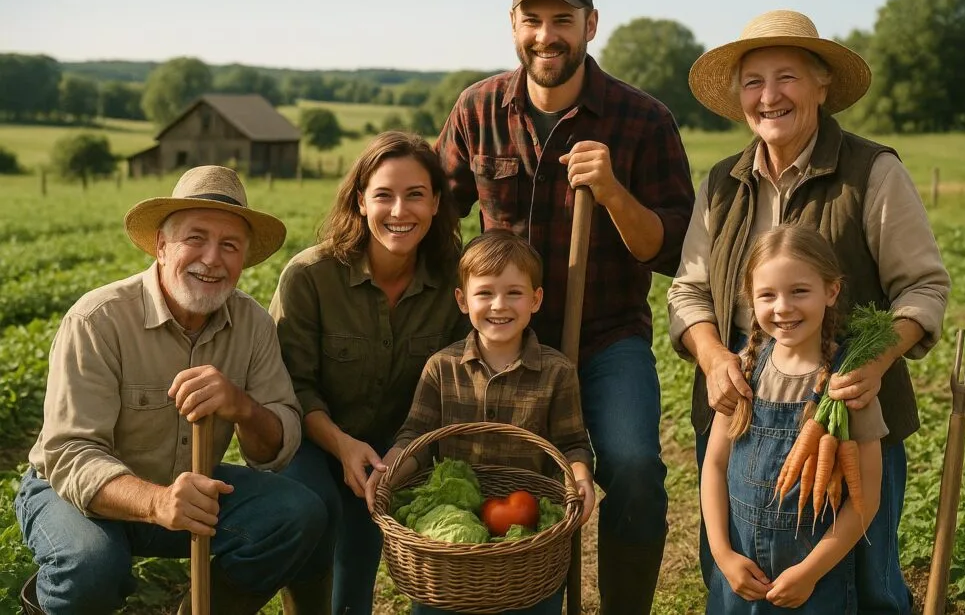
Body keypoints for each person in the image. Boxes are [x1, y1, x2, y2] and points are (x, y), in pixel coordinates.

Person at [667, 10, 951, 612]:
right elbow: (688, 291)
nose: (769, 96)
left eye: (787, 77)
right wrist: (715, 358)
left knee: (862, 580)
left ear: (821, 84)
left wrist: (874, 363)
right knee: (736, 576)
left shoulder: (872, 172)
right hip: (740, 407)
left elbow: (923, 288)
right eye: (753, 81)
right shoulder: (721, 183)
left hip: (845, 414)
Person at [436, 0, 694, 613]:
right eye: (533, 19)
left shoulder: (643, 120)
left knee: (634, 468)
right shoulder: (477, 110)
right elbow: (437, 220)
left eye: (562, 21)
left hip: (608, 338)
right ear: (514, 25)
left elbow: (670, 249)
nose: (546, 35)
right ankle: (506, 595)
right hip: (508, 343)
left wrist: (611, 192)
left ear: (591, 25)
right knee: (503, 477)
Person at [14, 166, 326, 615]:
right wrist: (157, 501)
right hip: (74, 492)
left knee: (299, 514)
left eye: (230, 245)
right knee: (91, 564)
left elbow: (275, 447)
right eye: (195, 239)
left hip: (184, 491)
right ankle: (56, 593)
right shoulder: (98, 320)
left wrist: (241, 406)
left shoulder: (253, 325)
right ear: (161, 245)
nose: (212, 259)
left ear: (244, 260)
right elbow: (71, 453)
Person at [270, 131, 465, 615]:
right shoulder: (310, 277)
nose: (400, 211)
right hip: (315, 444)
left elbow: (462, 386)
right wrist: (341, 445)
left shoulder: (457, 282)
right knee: (314, 516)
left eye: (416, 195)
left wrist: (406, 451)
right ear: (360, 201)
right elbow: (292, 386)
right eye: (383, 195)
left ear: (437, 203)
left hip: (406, 448)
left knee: (362, 566)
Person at [368, 229, 596, 615]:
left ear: (536, 300)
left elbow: (572, 442)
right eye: (485, 293)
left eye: (514, 293)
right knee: (439, 605)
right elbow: (416, 438)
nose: (499, 305)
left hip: (530, 528)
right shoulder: (442, 368)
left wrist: (581, 478)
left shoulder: (557, 372)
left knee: (533, 603)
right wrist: (388, 469)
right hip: (453, 529)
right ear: (462, 300)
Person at [703, 224, 884, 613]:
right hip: (741, 580)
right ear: (750, 300)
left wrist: (810, 572)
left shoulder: (849, 386)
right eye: (767, 295)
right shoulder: (743, 374)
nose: (783, 307)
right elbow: (714, 467)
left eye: (799, 291)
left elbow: (865, 499)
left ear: (831, 291)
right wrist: (722, 555)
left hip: (817, 585)